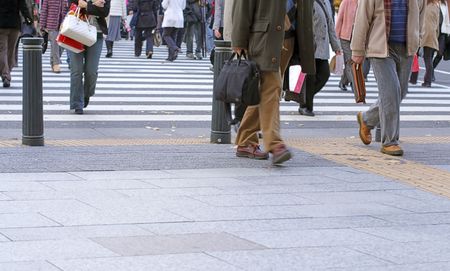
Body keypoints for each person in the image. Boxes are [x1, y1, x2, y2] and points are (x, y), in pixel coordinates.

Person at [352, 0, 426, 156]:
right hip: (381, 48)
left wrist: (417, 40)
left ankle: (367, 119)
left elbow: (421, 16)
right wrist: (357, 49)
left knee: (401, 92)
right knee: (391, 93)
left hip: (406, 49)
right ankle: (390, 142)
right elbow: (362, 17)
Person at [232, 0, 292, 165]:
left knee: (265, 91)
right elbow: (242, 6)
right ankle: (275, 144)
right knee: (273, 87)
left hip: (282, 37)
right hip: (263, 39)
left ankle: (245, 141)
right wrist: (238, 41)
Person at [299, 0, 341, 117]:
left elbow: (330, 24)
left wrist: (336, 47)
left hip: (322, 47)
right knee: (310, 78)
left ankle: (303, 99)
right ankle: (306, 106)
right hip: (309, 46)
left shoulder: (327, 2)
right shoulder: (307, 2)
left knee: (324, 74)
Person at [68, 0, 110, 114]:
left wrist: (86, 5)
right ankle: (77, 103)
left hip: (96, 34)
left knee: (91, 71)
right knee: (76, 70)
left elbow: (105, 11)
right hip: (75, 32)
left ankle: (86, 94)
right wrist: (94, 5)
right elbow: (71, 3)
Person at [0, 0, 32, 88]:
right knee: (11, 51)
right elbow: (23, 7)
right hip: (14, 24)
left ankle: (5, 75)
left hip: (1, 25)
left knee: (2, 50)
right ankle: (7, 73)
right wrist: (29, 19)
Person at [335, 0, 357, 91]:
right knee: (349, 61)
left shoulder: (363, 3)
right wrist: (335, 39)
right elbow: (339, 20)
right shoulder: (346, 2)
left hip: (357, 38)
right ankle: (354, 84)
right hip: (345, 37)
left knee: (355, 61)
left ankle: (343, 82)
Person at [40, 0, 67, 73]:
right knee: (55, 45)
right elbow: (44, 10)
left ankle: (53, 62)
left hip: (65, 25)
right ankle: (56, 64)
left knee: (62, 45)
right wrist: (42, 25)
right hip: (52, 24)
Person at [420, 0, 440, 87]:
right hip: (433, 34)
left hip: (426, 34)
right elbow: (438, 23)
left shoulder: (425, 7)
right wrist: (437, 35)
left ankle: (428, 81)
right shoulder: (436, 7)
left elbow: (422, 22)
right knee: (429, 57)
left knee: (427, 58)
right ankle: (428, 79)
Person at [432, 0, 450, 80]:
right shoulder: (433, 3)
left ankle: (431, 70)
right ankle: (430, 74)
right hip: (433, 31)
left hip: (443, 32)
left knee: (440, 53)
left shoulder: (445, 4)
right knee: (430, 53)